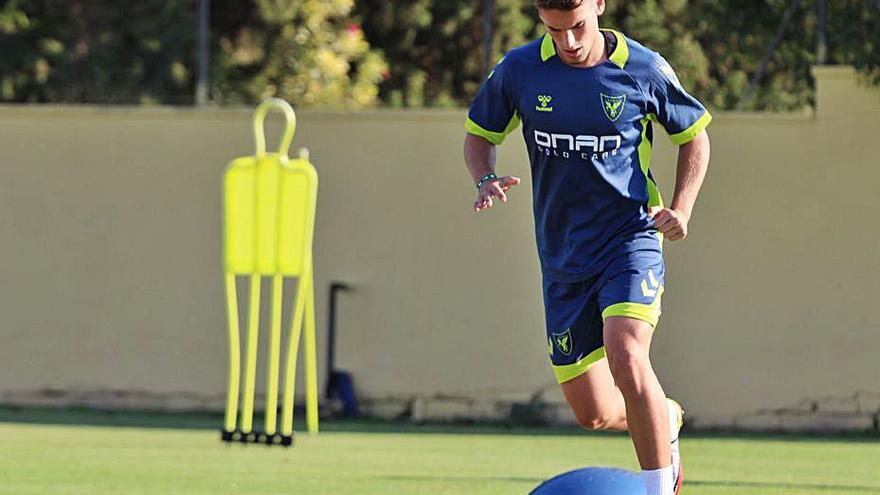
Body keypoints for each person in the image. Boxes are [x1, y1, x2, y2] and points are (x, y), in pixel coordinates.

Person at [462, 1, 711, 494]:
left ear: (598, 4)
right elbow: (478, 136)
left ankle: (660, 487)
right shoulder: (520, 70)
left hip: (630, 239)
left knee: (625, 352)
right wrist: (485, 177)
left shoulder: (642, 68)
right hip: (561, 259)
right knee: (592, 413)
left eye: (578, 26)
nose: (570, 42)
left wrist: (680, 209)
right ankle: (663, 415)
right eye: (556, 31)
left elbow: (695, 137)